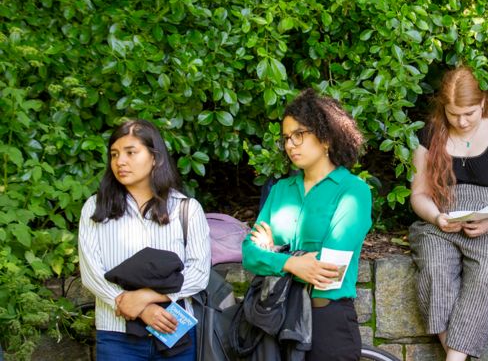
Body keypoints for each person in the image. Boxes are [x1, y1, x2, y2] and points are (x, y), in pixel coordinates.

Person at [408, 66, 488, 361]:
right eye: (453, 114)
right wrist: (437, 217)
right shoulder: (430, 134)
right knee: (435, 270)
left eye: (470, 113)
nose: (462, 121)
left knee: (486, 275)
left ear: (482, 103)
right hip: (443, 219)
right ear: (444, 108)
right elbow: (419, 195)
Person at [241, 89, 371, 361]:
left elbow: (328, 270)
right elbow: (249, 254)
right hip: (275, 319)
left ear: (325, 138)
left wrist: (275, 254)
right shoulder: (280, 191)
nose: (290, 144)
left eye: (299, 134)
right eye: (286, 138)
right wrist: (292, 263)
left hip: (326, 322)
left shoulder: (353, 191)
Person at [78, 119, 211, 360]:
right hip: (116, 334)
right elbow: (91, 274)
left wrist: (147, 297)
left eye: (131, 152)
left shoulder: (186, 209)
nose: (120, 162)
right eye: (115, 154)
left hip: (174, 329)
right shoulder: (95, 208)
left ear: (155, 158)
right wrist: (139, 308)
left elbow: (199, 273)